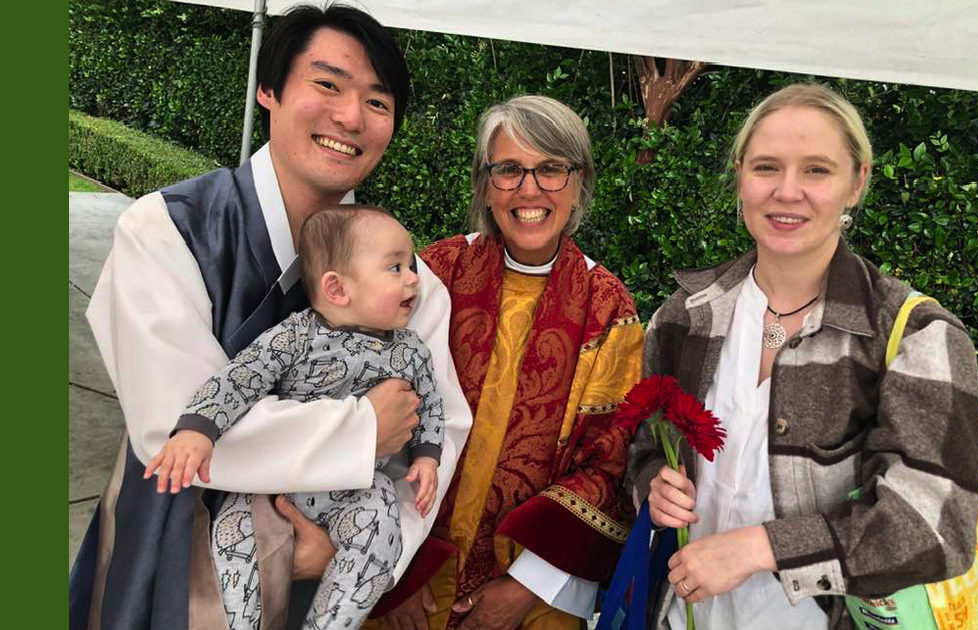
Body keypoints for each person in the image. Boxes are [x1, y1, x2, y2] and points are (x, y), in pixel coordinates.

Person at [68, 6, 472, 630]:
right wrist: (364, 427)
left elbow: (438, 430)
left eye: (378, 101)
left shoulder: (412, 283)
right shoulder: (166, 229)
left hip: (327, 564)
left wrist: (360, 552)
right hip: (172, 550)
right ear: (269, 89)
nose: (349, 117)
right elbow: (173, 426)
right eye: (328, 84)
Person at [626, 83, 978, 629]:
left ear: (856, 182)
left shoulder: (913, 335)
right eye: (767, 167)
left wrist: (759, 548)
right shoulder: (684, 317)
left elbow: (933, 529)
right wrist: (652, 484)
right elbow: (645, 447)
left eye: (817, 170)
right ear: (740, 175)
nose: (787, 192)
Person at [349, 95, 642, 630]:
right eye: (508, 169)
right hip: (405, 559)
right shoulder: (434, 272)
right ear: (485, 184)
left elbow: (609, 463)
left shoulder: (608, 307)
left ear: (579, 183)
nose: (529, 189)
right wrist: (395, 574)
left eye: (551, 169)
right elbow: (371, 408)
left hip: (531, 582)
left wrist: (523, 588)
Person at [145, 207, 444, 629]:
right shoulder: (296, 335)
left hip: (358, 488)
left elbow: (431, 404)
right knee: (233, 536)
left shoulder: (411, 349)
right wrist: (198, 428)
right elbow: (242, 377)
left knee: (381, 531)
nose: (414, 278)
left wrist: (427, 458)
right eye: (395, 267)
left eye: (410, 265)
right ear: (337, 289)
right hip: (272, 485)